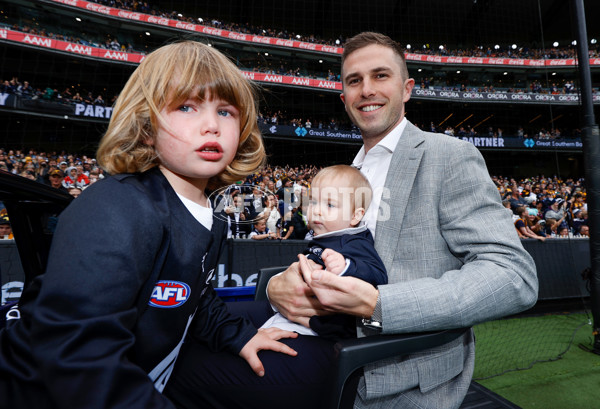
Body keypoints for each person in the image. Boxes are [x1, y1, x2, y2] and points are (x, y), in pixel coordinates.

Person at [166, 32, 538, 409]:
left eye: (380, 76)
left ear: (407, 88)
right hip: (316, 327)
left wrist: (377, 303)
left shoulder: (448, 156)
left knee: (183, 368)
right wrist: (278, 284)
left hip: (382, 359)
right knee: (173, 330)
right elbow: (331, 255)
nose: (367, 90)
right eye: (354, 81)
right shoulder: (351, 170)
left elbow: (513, 276)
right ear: (344, 98)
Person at [0, 41, 298, 409]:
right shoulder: (116, 207)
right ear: (145, 127)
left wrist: (238, 337)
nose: (211, 125)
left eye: (225, 111)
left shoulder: (213, 213)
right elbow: (78, 359)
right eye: (186, 106)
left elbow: (193, 297)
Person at [261, 165, 387, 341]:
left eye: (329, 204)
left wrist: (345, 266)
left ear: (355, 216)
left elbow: (379, 276)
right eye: (313, 202)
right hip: (297, 318)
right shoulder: (325, 237)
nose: (317, 210)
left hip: (323, 333)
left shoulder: (355, 241)